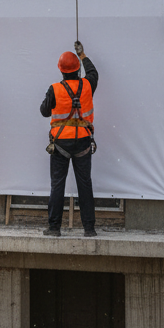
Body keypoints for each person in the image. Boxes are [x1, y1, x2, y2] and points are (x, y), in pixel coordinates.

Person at [40, 41, 98, 237]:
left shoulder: (55, 89)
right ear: (77, 69)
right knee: (85, 184)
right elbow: (93, 72)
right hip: (82, 141)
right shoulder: (88, 85)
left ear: (61, 70)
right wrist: (82, 55)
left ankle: (54, 228)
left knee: (57, 184)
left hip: (60, 144)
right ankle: (89, 229)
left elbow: (44, 112)